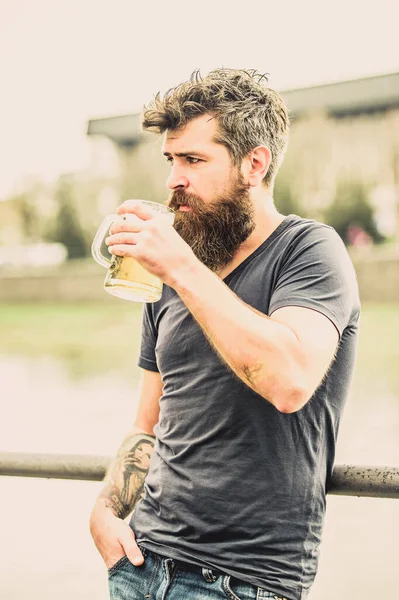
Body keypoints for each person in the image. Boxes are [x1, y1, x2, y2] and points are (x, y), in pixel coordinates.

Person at [89, 68, 360, 600]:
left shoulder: (309, 251)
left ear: (254, 164)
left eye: (193, 159)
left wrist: (181, 269)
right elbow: (149, 421)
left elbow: (290, 380)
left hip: (240, 583)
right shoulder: (169, 269)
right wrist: (104, 512)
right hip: (140, 563)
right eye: (171, 160)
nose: (173, 179)